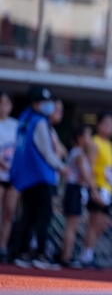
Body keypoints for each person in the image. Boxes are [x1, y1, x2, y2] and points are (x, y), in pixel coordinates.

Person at [10, 86, 67, 270]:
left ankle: (22, 253)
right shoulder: (39, 122)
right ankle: (41, 254)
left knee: (28, 215)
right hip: (40, 176)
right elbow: (47, 153)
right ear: (35, 103)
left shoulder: (24, 119)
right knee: (43, 216)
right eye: (45, 102)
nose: (49, 105)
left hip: (25, 176)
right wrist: (62, 167)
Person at [80, 112, 112, 269]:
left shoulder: (109, 145)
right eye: (106, 124)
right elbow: (89, 168)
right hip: (97, 187)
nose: (109, 128)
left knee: (101, 225)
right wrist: (93, 190)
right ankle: (85, 256)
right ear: (99, 125)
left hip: (107, 189)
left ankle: (89, 253)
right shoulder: (94, 143)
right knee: (94, 223)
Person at [61, 124, 97, 268]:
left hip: (75, 190)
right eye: (88, 135)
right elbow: (85, 174)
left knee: (73, 225)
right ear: (80, 138)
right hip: (74, 189)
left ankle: (67, 255)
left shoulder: (80, 153)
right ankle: (66, 256)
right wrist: (94, 190)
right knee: (71, 225)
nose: (90, 139)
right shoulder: (78, 154)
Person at [0, 91, 18, 263]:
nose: (3, 107)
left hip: (13, 177)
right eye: (1, 103)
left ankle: (3, 247)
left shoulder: (16, 125)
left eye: (6, 103)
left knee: (9, 212)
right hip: (1, 174)